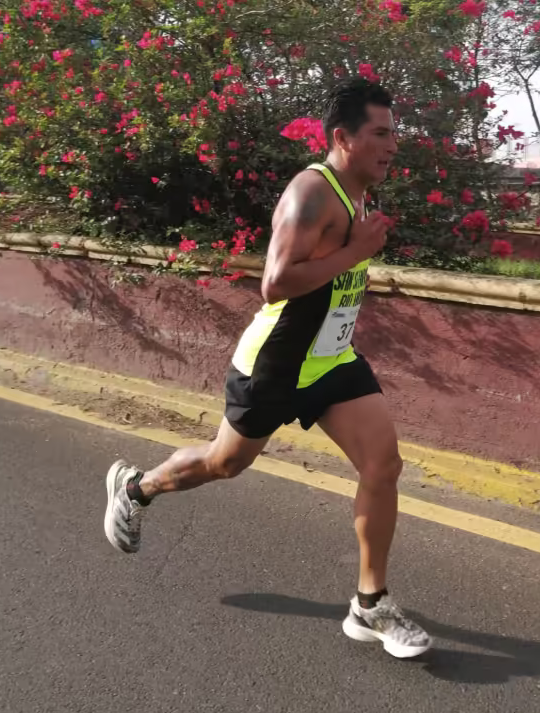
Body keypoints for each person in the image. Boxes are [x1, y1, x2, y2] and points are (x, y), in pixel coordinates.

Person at [104, 78, 432, 659]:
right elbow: (275, 282)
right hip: (278, 361)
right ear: (343, 138)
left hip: (331, 361)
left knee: (383, 465)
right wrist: (357, 252)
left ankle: (370, 605)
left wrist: (353, 256)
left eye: (393, 134)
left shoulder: (362, 196)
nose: (393, 145)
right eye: (380, 134)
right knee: (223, 463)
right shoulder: (313, 191)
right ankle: (137, 487)